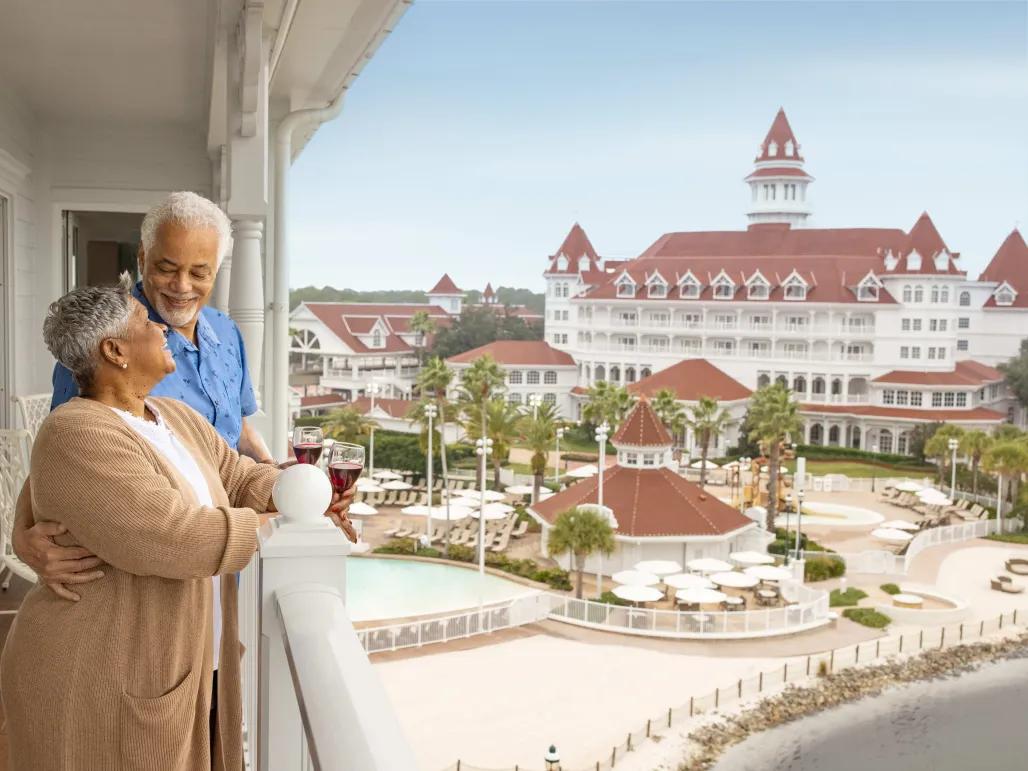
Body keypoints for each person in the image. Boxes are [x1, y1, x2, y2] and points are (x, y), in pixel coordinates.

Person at [1, 276, 350, 770]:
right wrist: (282, 522)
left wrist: (301, 494)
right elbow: (173, 536)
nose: (161, 326)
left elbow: (240, 476)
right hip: (96, 672)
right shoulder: (76, 431)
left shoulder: (172, 416)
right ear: (116, 350)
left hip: (176, 662)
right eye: (146, 320)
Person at [13, 191, 324, 600]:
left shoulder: (227, 332)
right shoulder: (108, 343)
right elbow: (63, 454)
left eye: (200, 272)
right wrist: (22, 536)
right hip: (152, 567)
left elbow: (239, 432)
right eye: (167, 268)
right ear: (142, 258)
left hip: (229, 555)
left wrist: (288, 484)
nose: (182, 287)